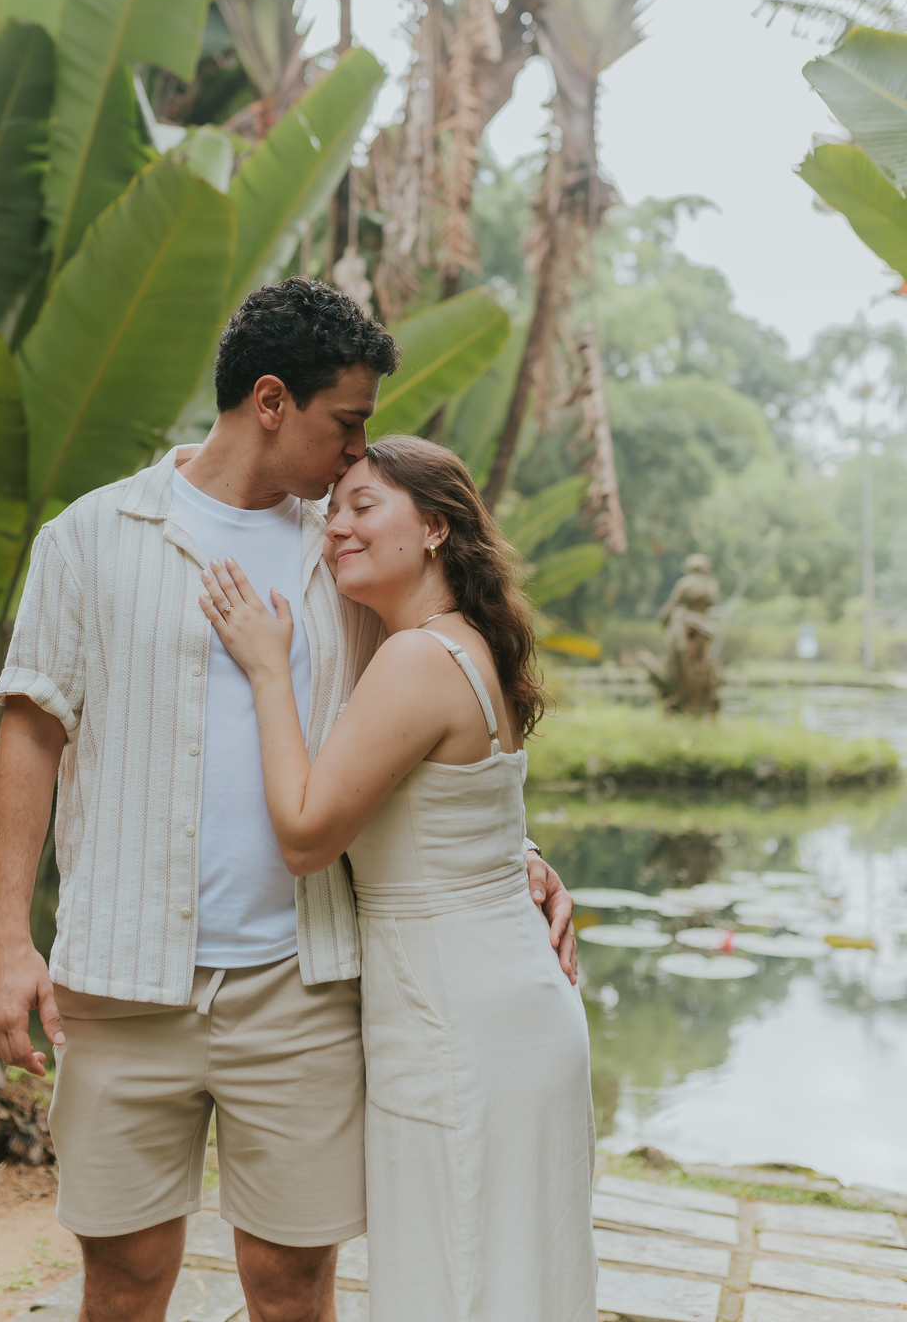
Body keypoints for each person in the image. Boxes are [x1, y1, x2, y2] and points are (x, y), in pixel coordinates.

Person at [0, 279, 578, 1322]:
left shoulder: (346, 553)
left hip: (303, 984)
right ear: (270, 402)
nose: (358, 455)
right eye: (346, 424)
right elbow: (31, 733)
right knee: (121, 1281)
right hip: (124, 985)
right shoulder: (91, 537)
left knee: (292, 1287)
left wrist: (500, 855)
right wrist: (3, 940)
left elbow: (420, 728)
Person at [199, 433, 596, 1322]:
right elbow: (461, 819)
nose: (335, 525)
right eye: (331, 507)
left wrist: (267, 667)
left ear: (435, 530)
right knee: (503, 1274)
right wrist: (528, 860)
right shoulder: (459, 645)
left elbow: (305, 836)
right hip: (498, 998)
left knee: (454, 1277)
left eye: (362, 505)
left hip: (454, 1013)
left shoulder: (417, 657)